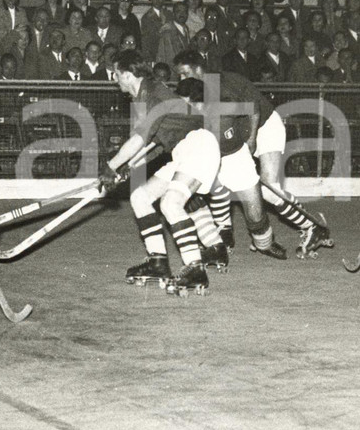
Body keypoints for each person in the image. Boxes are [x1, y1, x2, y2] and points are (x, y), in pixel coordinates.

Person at [174, 50, 332, 258]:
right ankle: (224, 232)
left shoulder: (222, 82)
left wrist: (251, 141)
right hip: (238, 135)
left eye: (185, 73)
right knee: (217, 179)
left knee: (268, 188)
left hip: (264, 127)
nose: (182, 79)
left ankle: (314, 227)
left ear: (198, 68)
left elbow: (253, 107)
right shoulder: (198, 90)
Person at [99, 49, 226, 292]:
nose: (115, 80)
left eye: (116, 74)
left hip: (199, 145)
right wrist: (126, 168)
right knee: (140, 197)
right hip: (181, 152)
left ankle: (195, 269)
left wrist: (110, 166)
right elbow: (153, 145)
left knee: (170, 203)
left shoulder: (155, 94)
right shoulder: (142, 99)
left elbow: (139, 140)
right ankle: (158, 262)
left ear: (126, 75)